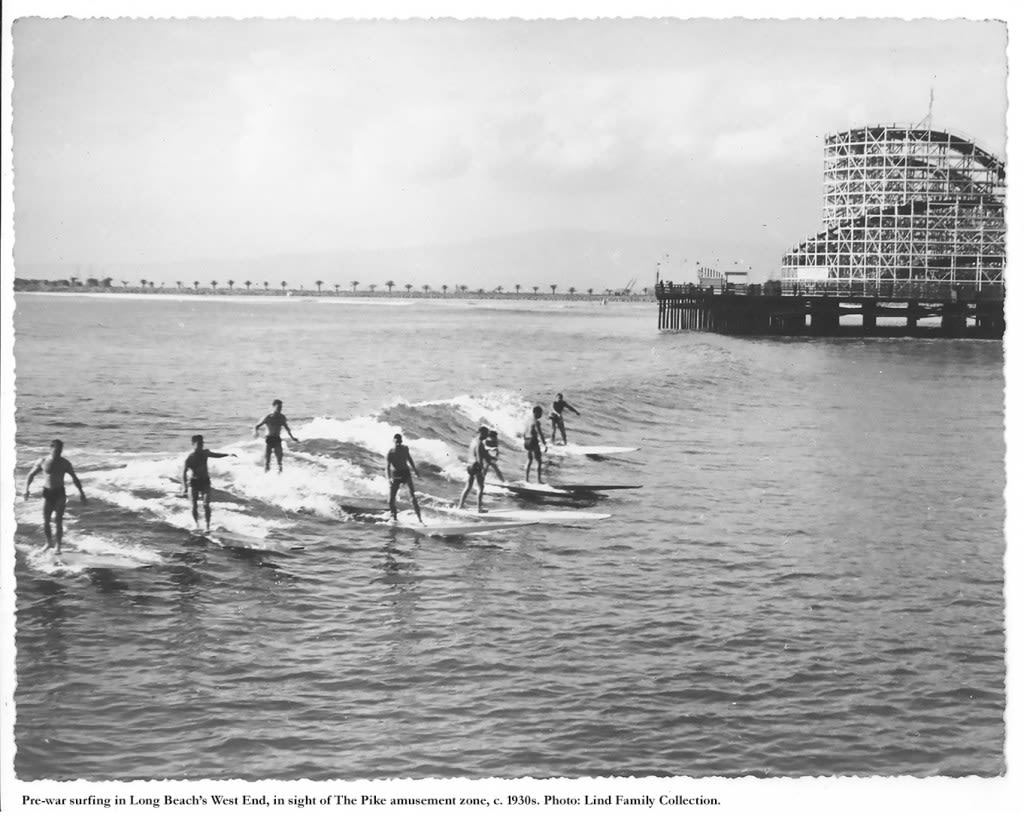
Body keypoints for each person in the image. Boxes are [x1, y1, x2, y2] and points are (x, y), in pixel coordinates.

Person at [23, 439, 86, 554]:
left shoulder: (65, 463)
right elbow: (30, 475)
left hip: (60, 493)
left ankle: (58, 546)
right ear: (50, 448)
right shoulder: (42, 461)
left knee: (58, 520)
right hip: (47, 493)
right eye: (56, 450)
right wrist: (26, 489)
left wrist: (82, 493)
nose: (58, 453)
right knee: (46, 520)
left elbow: (74, 478)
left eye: (60, 451)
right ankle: (48, 543)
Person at [181, 435, 236, 532]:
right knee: (194, 505)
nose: (201, 446)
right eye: (199, 444)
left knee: (206, 504)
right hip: (193, 483)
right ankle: (197, 525)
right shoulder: (190, 458)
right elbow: (184, 473)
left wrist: (228, 454)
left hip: (205, 482)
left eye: (202, 443)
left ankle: (207, 527)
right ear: (193, 444)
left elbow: (216, 455)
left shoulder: (205, 453)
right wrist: (185, 487)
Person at [254, 398, 300, 472]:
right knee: (267, 462)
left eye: (281, 408)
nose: (280, 409)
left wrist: (292, 437)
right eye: (278, 407)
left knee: (279, 462)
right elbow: (257, 426)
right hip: (269, 439)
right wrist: (255, 433)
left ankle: (280, 477)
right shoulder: (268, 417)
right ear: (273, 406)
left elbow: (287, 428)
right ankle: (265, 477)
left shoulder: (282, 417)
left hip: (277, 439)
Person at [386, 433, 423, 523]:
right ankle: (394, 518)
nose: (398, 444)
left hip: (405, 473)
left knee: (413, 497)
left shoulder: (405, 449)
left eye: (399, 442)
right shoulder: (390, 452)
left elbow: (409, 459)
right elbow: (387, 467)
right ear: (393, 442)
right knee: (390, 500)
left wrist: (415, 470)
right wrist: (389, 478)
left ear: (401, 441)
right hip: (396, 474)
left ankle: (420, 520)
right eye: (396, 442)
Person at [458, 425, 494, 511]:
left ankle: (460, 506)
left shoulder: (473, 441)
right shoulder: (479, 443)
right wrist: (481, 470)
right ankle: (479, 508)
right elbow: (479, 457)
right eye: (485, 434)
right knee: (481, 487)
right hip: (476, 466)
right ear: (481, 433)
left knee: (468, 487)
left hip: (469, 465)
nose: (486, 436)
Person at [523, 405, 548, 483]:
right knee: (539, 461)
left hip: (526, 441)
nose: (541, 415)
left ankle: (526, 479)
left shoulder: (527, 420)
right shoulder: (536, 422)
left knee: (529, 460)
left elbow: (524, 432)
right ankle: (539, 480)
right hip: (533, 441)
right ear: (535, 412)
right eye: (540, 413)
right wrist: (544, 444)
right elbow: (540, 434)